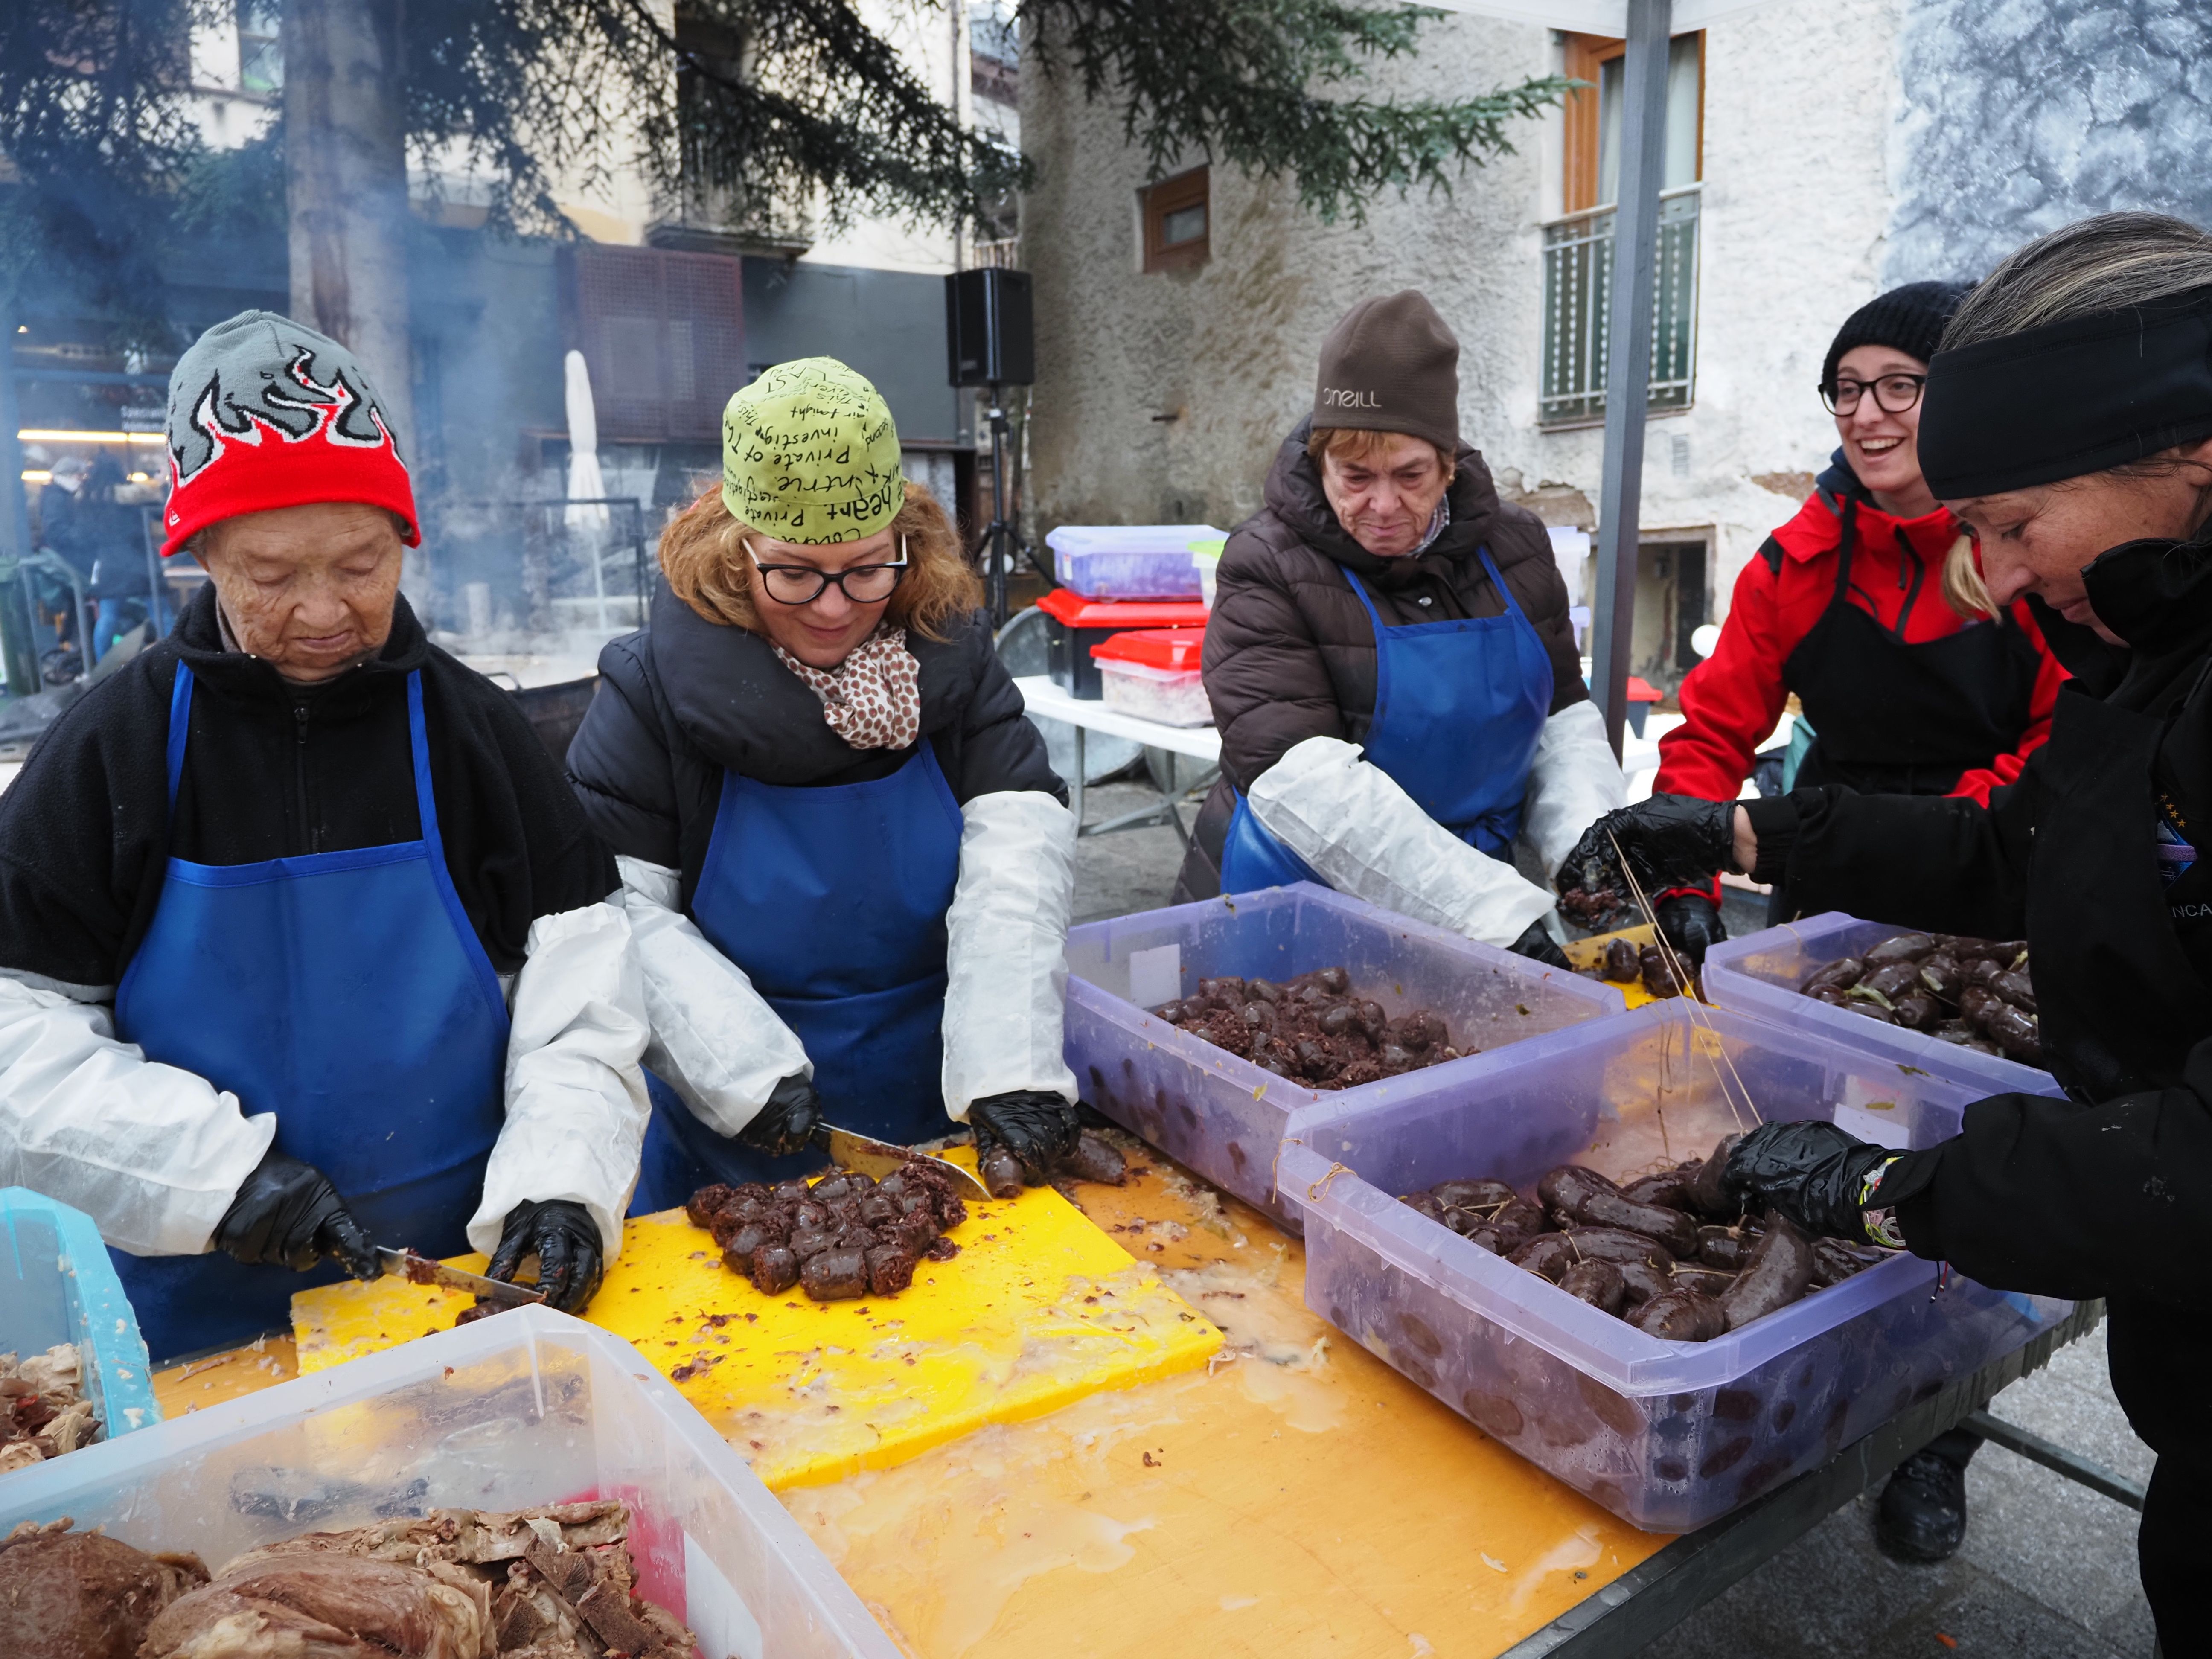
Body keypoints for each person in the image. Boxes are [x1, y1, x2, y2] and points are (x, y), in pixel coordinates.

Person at [1562, 212, 2212, 1647]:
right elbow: (2011, 843)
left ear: (2188, 459)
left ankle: (1931, 1435)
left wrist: (1893, 1186)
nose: (1990, 568)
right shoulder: (2148, 640)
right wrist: (1731, 829)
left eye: (2010, 524)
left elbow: (2191, 1165)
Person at [0, 311, 650, 1361]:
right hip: (196, 1303)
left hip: (463, 1287)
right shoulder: (110, 745)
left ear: (403, 537)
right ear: (199, 554)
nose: (320, 611)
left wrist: (561, 1181)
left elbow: (583, 998)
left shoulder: (473, 730)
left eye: (359, 562)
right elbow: (13, 1033)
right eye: (268, 572)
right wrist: (213, 1177)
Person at [565, 358, 1080, 1207]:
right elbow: (617, 909)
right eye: (794, 573)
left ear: (903, 546)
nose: (835, 608)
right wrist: (740, 1069)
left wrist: (1010, 1069)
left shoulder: (956, 662)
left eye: (867, 570)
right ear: (737, 553)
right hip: (733, 1134)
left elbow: (1016, 865)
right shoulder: (647, 690)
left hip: (950, 1112)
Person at [1171, 291, 1624, 965]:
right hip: (1295, 914)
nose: (1382, 506)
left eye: (1411, 475)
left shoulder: (1518, 548)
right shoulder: (1266, 563)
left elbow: (1560, 724)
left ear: (1449, 462)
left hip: (1484, 902)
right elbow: (1302, 778)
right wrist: (1491, 911)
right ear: (1320, 461)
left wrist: (1598, 869)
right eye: (1354, 477)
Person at [1651, 282, 2066, 958]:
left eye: (1899, 385)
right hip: (1820, 884)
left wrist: (1936, 839)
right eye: (1847, 389)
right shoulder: (1794, 563)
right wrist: (1684, 880)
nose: (1866, 414)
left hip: (1994, 877)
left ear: (1964, 394)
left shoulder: (2031, 550)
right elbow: (1712, 732)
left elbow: (2063, 742)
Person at [77, 451, 172, 662]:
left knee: (108, 615)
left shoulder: (90, 499)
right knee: (160, 610)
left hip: (110, 564)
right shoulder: (135, 496)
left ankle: (102, 667)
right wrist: (163, 485)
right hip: (142, 561)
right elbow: (163, 513)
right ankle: (176, 656)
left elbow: (84, 534)